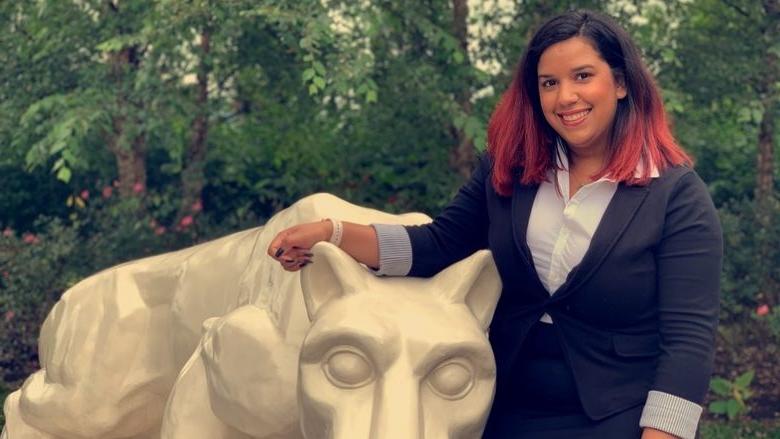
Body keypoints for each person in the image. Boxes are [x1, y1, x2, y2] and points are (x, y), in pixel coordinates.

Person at [267, 9, 722, 439]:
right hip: (505, 407)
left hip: (617, 416)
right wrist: (333, 234)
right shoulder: (511, 171)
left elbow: (688, 342)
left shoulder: (676, 196)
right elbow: (437, 245)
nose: (566, 97)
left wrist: (661, 433)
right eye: (549, 83)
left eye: (583, 76)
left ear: (621, 83)